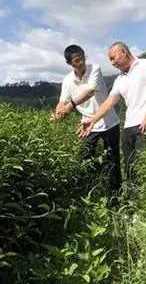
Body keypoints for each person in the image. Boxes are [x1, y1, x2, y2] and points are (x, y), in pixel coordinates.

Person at [77, 42, 146, 200]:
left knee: (144, 167)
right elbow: (109, 103)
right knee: (129, 167)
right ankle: (132, 204)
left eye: (113, 58)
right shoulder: (120, 80)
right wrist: (93, 120)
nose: (112, 62)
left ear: (123, 52)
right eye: (110, 60)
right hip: (129, 126)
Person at [51, 44, 122, 198]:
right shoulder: (68, 80)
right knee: (83, 160)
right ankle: (88, 193)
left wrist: (71, 106)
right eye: (77, 60)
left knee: (113, 161)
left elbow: (90, 91)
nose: (81, 62)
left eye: (82, 58)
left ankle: (116, 197)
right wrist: (58, 113)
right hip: (88, 126)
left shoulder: (94, 69)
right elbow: (62, 101)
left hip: (109, 122)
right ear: (69, 63)